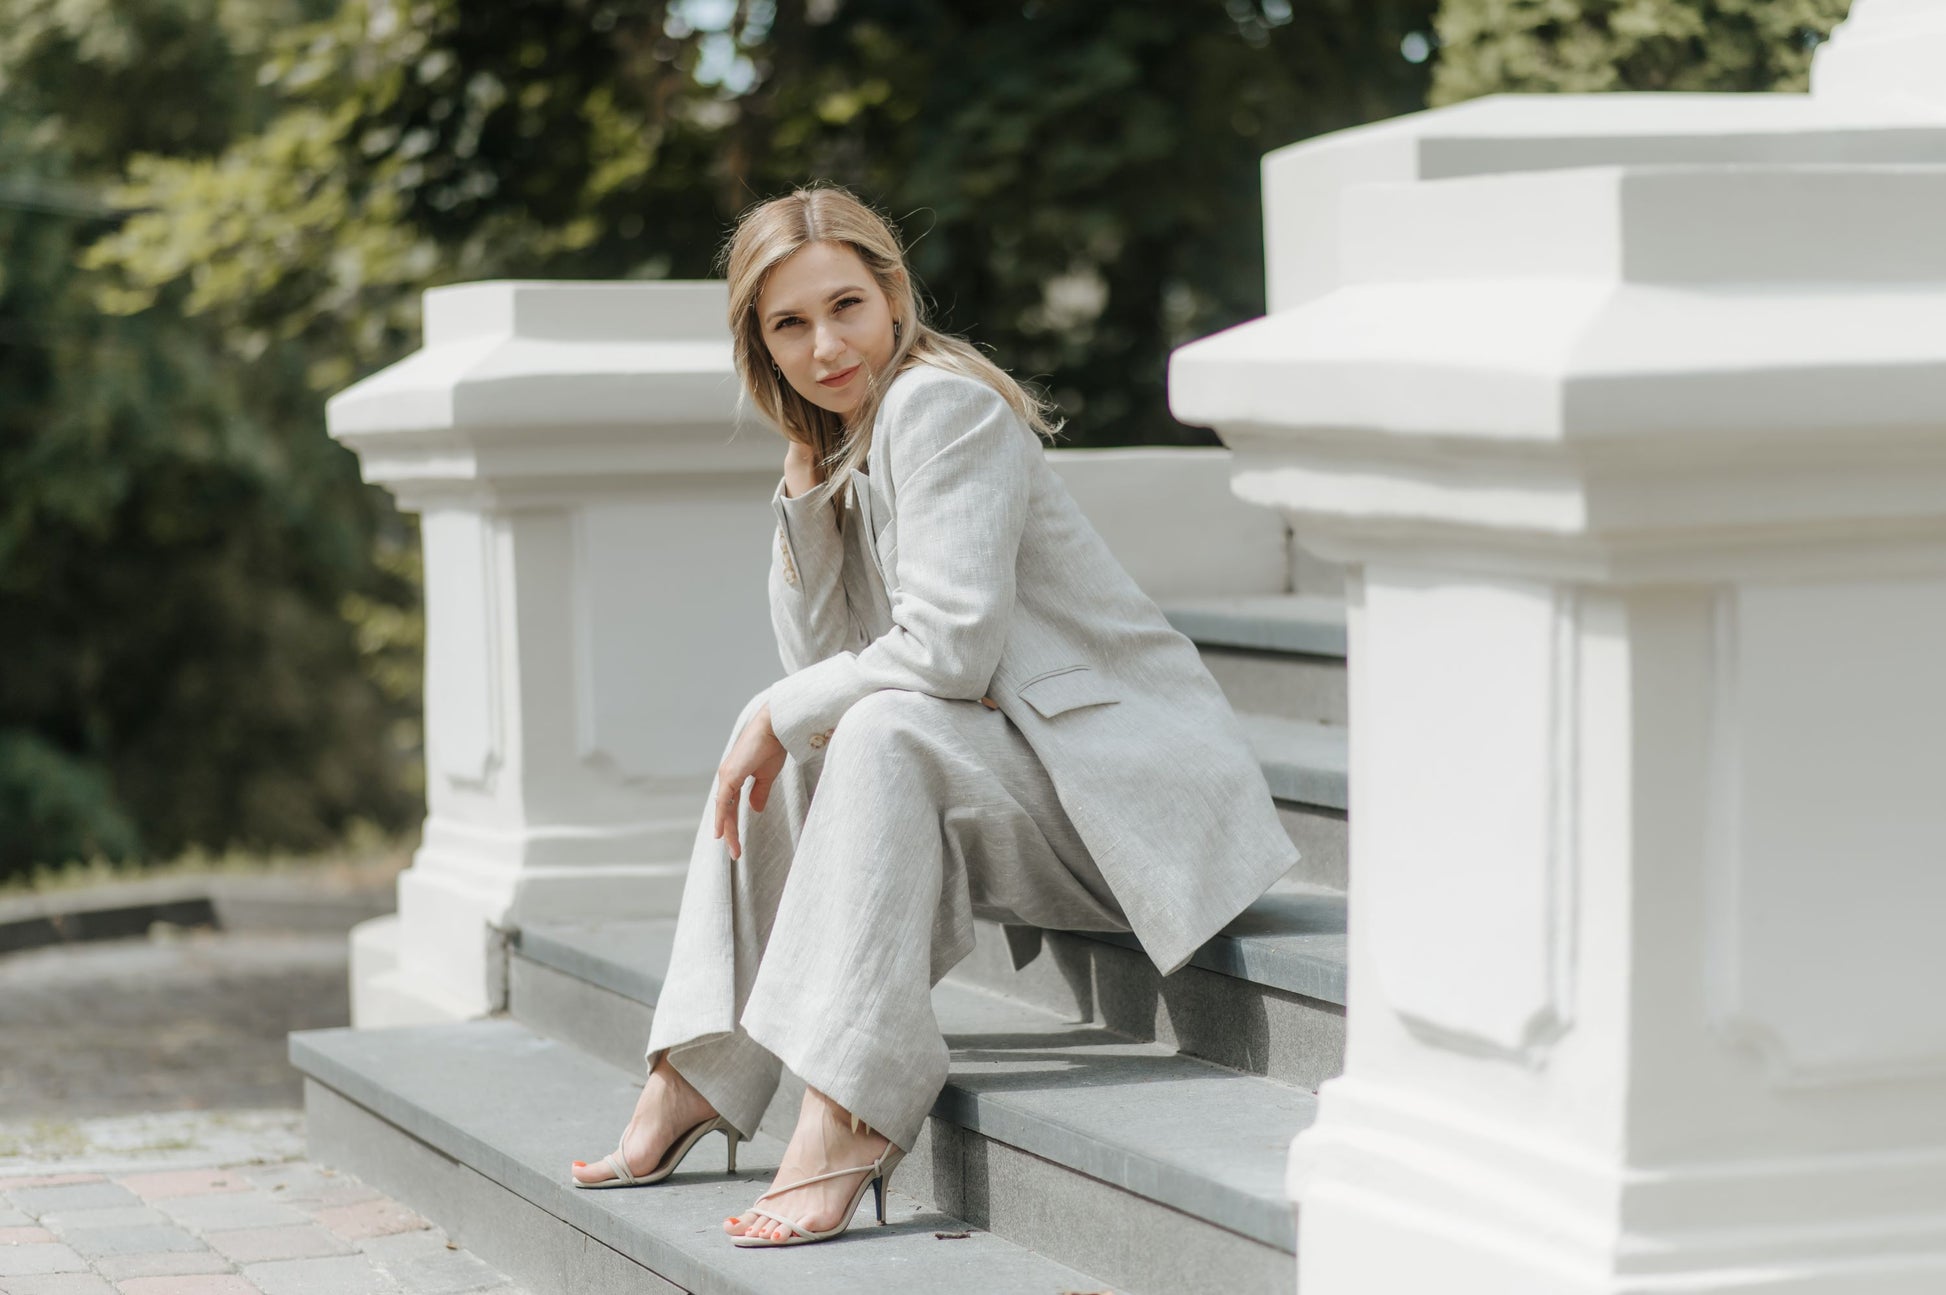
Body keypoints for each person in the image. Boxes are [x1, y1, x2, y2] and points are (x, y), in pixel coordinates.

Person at [567, 182, 1297, 1248]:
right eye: (789, 323)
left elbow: (945, 654)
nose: (824, 345)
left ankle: (847, 1110)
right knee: (819, 735)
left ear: (893, 292)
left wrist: (774, 707)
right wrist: (807, 498)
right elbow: (826, 665)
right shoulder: (850, 436)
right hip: (1028, 773)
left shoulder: (938, 405)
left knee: (865, 727)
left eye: (845, 306)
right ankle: (695, 1068)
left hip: (1128, 797)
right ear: (759, 343)